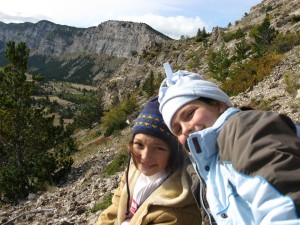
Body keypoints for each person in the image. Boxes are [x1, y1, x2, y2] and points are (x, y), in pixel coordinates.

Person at [158, 62, 300, 225]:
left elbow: (285, 205)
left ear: (218, 104)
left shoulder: (244, 129)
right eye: (177, 129)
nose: (186, 128)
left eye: (190, 113)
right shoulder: (207, 166)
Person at [94, 96, 202, 225]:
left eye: (158, 148)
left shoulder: (178, 210)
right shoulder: (133, 171)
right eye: (139, 144)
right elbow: (116, 207)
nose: (145, 157)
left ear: (174, 153)